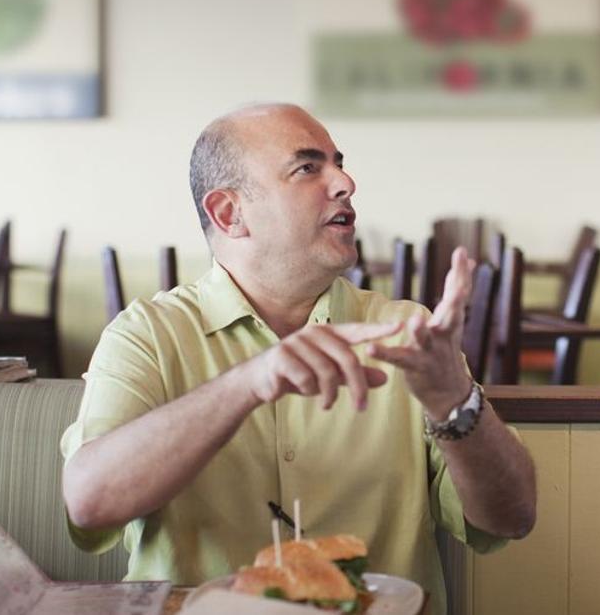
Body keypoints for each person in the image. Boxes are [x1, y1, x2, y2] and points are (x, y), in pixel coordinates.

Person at [59, 103, 536, 615]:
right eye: (308, 168)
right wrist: (249, 382)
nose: (345, 182)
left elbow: (511, 517)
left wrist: (455, 403)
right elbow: (91, 502)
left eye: (339, 163)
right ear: (228, 213)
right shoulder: (147, 336)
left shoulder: (405, 334)